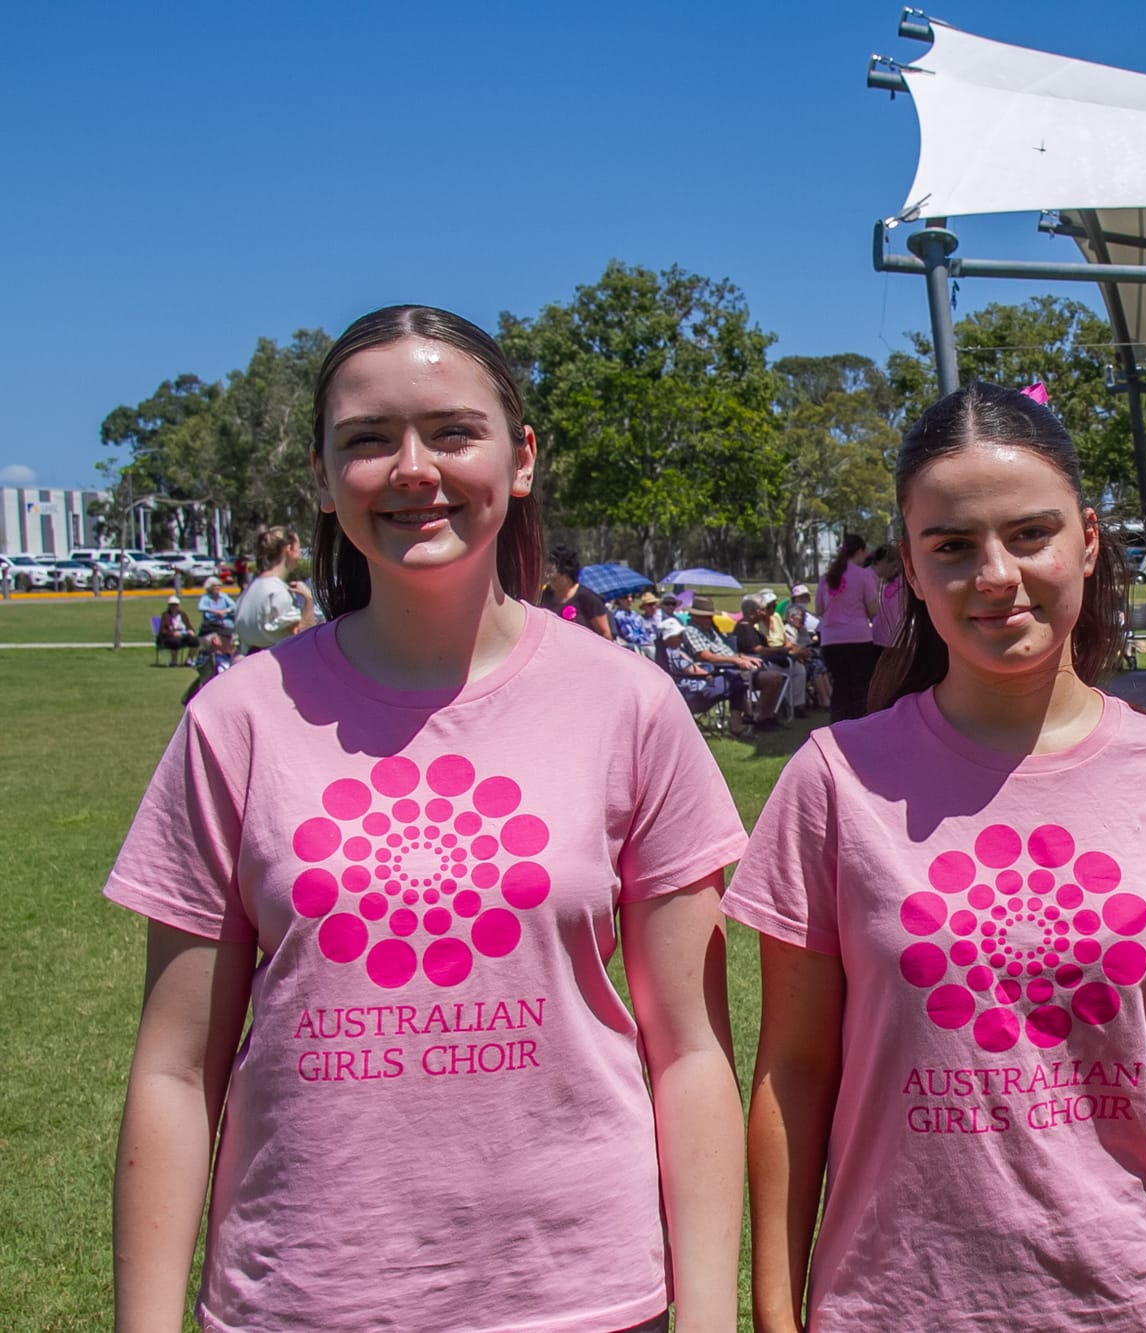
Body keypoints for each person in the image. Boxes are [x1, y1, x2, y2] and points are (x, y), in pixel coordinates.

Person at [107, 304, 747, 1333]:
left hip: (581, 1295)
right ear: (322, 478)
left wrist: (709, 1316)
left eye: (452, 432)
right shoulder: (237, 719)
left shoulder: (628, 703)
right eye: (368, 439)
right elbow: (176, 1070)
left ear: (520, 458)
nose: (413, 469)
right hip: (305, 1295)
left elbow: (691, 1054)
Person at [727, 381, 1146, 1332]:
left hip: (1139, 1305)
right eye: (952, 545)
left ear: (1088, 538)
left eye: (1031, 534)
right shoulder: (834, 779)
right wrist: (777, 1319)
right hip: (892, 1308)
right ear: (910, 566)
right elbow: (793, 1071)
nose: (996, 574)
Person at [682, 595, 785, 733]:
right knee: (772, 678)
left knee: (776, 677)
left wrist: (742, 657)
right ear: (695, 616)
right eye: (706, 616)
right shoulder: (691, 631)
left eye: (710, 616)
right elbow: (704, 656)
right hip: (721, 671)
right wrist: (735, 660)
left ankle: (764, 717)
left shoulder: (710, 630)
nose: (710, 619)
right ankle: (759, 720)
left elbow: (727, 651)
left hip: (734, 667)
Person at [815, 532, 880, 722]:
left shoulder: (826, 577)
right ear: (859, 551)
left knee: (840, 685)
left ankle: (837, 724)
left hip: (831, 639)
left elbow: (819, 609)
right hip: (858, 637)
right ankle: (859, 725)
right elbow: (872, 609)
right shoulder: (864, 575)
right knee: (860, 686)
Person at [659, 617, 751, 735]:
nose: (682, 638)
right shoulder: (673, 653)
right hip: (695, 691)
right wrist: (708, 676)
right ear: (669, 638)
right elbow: (689, 670)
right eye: (679, 635)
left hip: (697, 687)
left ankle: (744, 720)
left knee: (736, 682)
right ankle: (740, 724)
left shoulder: (674, 650)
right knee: (736, 682)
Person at [232, 524, 316, 652]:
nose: (300, 555)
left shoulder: (251, 588)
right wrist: (308, 600)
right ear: (289, 549)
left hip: (249, 658)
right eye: (298, 549)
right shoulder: (277, 593)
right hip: (274, 659)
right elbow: (300, 639)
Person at [538, 543, 610, 638]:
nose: (547, 576)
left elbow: (605, 634)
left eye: (550, 572)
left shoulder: (588, 599)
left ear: (565, 573)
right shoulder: (544, 597)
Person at [154, 595, 198, 665]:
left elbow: (189, 626)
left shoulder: (183, 614)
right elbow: (162, 630)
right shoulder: (165, 615)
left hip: (183, 635)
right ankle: (174, 660)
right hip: (169, 637)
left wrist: (190, 631)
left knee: (195, 641)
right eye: (172, 605)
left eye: (175, 605)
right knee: (175, 641)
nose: (174, 607)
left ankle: (189, 659)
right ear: (169, 606)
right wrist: (173, 633)